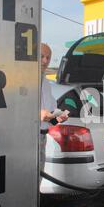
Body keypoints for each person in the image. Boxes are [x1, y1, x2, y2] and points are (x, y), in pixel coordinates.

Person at [40, 43, 68, 173]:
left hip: (42, 138)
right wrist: (38, 114)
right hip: (27, 141)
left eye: (48, 57)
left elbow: (51, 113)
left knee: (37, 177)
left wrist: (59, 117)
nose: (45, 60)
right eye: (41, 56)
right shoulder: (22, 80)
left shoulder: (46, 83)